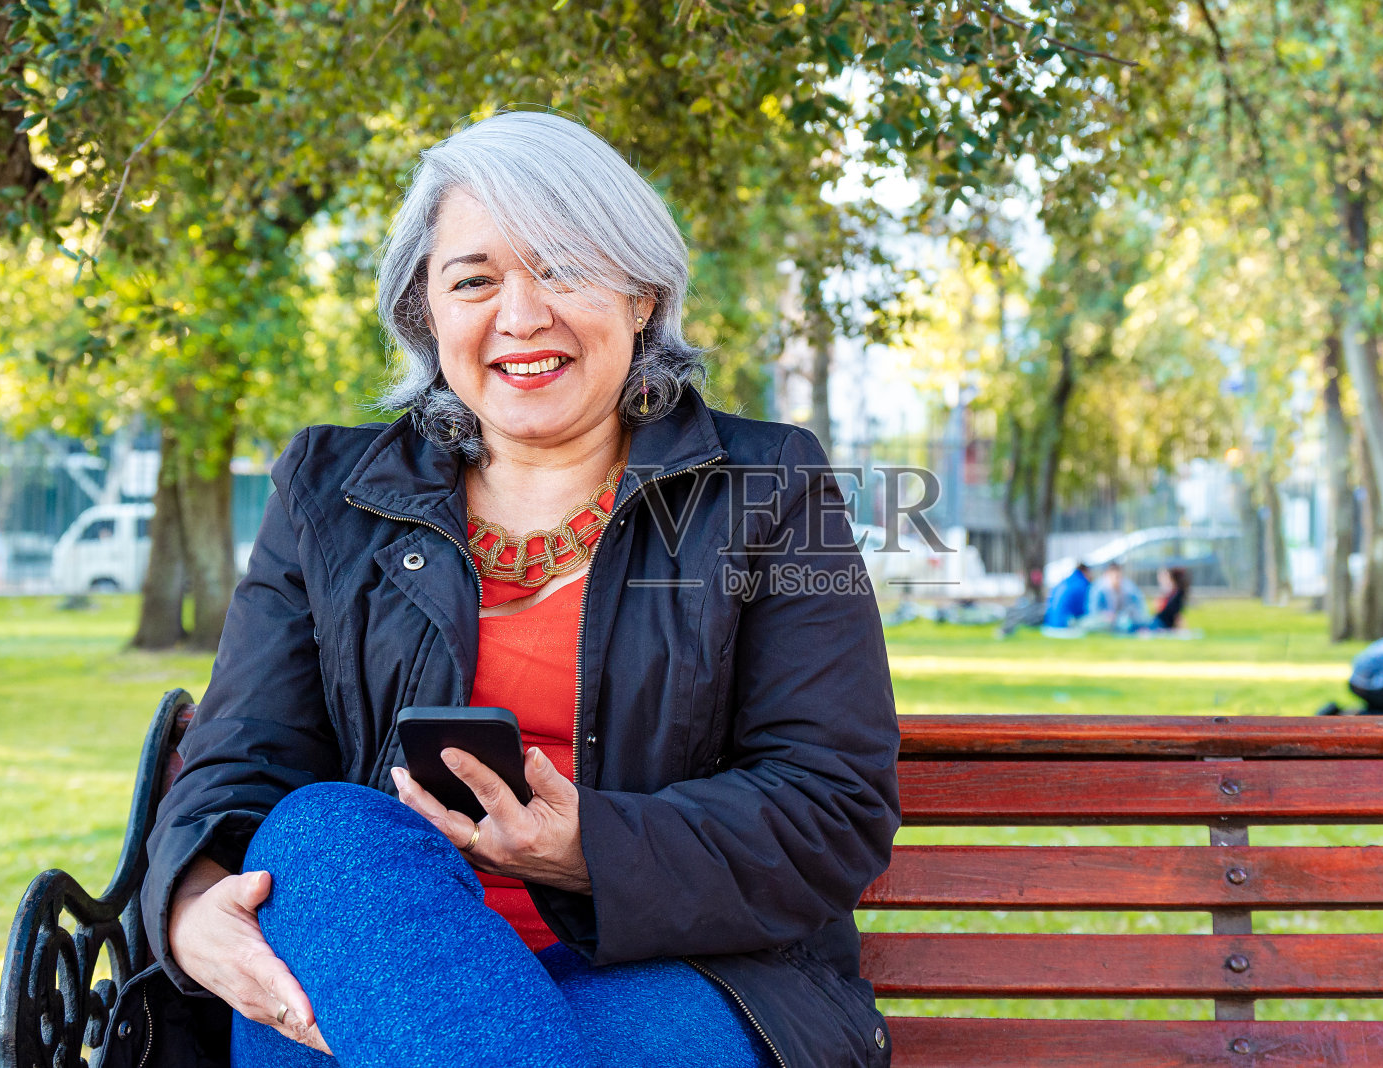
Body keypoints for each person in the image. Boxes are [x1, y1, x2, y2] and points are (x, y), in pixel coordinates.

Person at [125, 113, 900, 1068]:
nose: (521, 315)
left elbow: (832, 805)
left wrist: (585, 850)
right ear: (428, 311)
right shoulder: (328, 493)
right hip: (376, 960)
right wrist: (195, 902)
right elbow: (243, 758)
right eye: (474, 279)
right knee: (327, 833)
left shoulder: (773, 485)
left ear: (644, 296)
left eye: (565, 268)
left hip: (690, 973)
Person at [1082, 561, 1147, 633]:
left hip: (1122, 620)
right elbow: (1093, 610)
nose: (1117, 579)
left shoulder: (1129, 588)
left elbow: (1138, 608)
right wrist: (1105, 616)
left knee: (1127, 623)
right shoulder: (1098, 589)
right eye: (1115, 576)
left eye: (1119, 576)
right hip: (1102, 621)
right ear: (1107, 575)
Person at [1043, 562, 1091, 628]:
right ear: (1086, 572)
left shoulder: (1063, 582)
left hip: (1050, 623)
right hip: (1065, 624)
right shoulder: (1081, 584)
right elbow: (1081, 610)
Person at [1148, 566, 1190, 631]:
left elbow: (1177, 616)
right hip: (1158, 622)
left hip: (1160, 624)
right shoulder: (1173, 595)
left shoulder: (1177, 596)